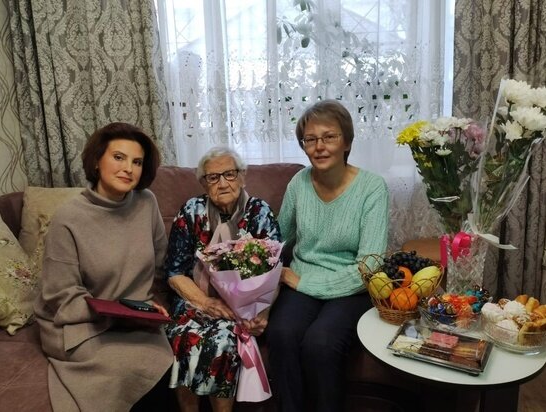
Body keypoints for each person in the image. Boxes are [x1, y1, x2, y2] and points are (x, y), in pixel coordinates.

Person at [33, 122, 173, 411]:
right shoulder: (68, 218)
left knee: (164, 364)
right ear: (97, 161)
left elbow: (161, 265)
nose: (128, 169)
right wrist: (116, 311)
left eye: (137, 162)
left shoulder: (147, 203)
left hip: (136, 318)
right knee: (125, 367)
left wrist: (153, 305)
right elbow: (60, 295)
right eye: (118, 157)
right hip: (81, 324)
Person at [266, 100, 389, 412]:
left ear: (346, 142)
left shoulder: (372, 188)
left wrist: (303, 282)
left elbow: (370, 266)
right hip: (302, 279)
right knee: (281, 333)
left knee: (320, 344)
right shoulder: (299, 183)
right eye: (310, 139)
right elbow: (277, 240)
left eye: (329, 137)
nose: (319, 146)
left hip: (352, 287)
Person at [164, 146, 281, 412]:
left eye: (229, 174)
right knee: (182, 338)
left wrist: (262, 313)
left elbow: (275, 271)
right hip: (196, 299)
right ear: (204, 183)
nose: (223, 183)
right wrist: (205, 302)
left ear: (242, 176)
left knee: (222, 342)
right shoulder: (191, 211)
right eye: (213, 177)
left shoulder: (259, 212)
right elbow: (174, 272)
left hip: (243, 307)